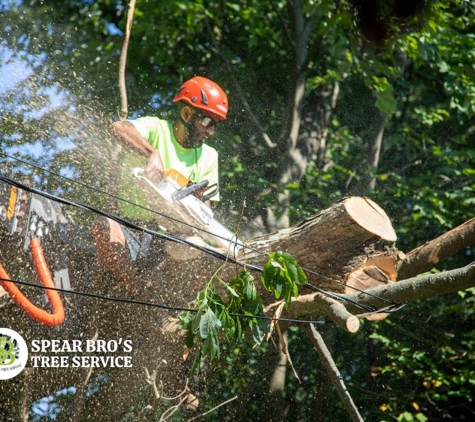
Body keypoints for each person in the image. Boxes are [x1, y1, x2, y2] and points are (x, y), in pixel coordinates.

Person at [91, 76, 228, 295]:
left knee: (195, 244)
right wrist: (151, 153)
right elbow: (118, 128)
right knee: (103, 226)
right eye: (207, 122)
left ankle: (163, 294)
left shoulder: (209, 157)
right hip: (130, 228)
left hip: (171, 237)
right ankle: (135, 292)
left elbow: (206, 213)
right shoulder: (156, 129)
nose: (211, 131)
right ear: (186, 114)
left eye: (215, 126)